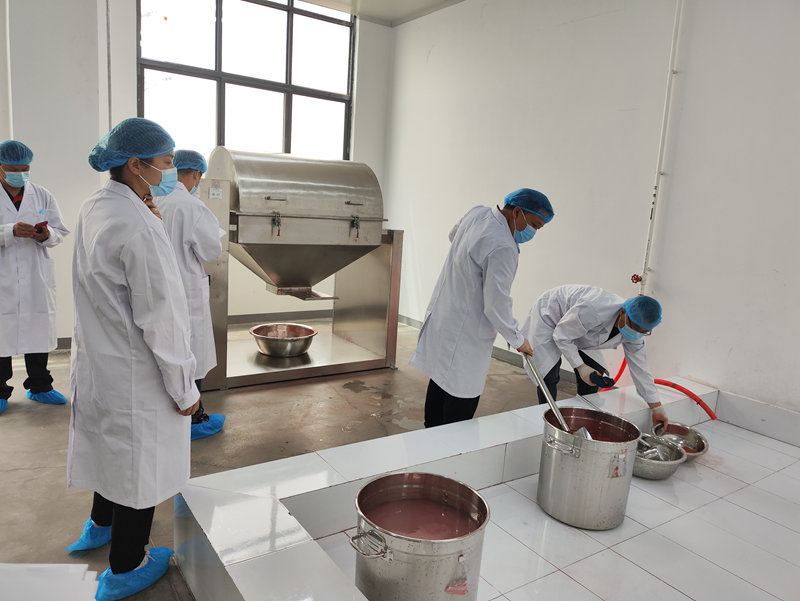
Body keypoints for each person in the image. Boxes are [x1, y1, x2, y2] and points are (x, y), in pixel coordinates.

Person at [66, 118, 200, 601]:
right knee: (139, 466)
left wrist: (152, 216)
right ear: (136, 165)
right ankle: (126, 565)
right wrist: (185, 389)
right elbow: (162, 319)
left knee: (110, 449)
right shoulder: (140, 227)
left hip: (98, 362)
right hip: (135, 370)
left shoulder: (98, 205)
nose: (172, 171)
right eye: (166, 162)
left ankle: (100, 525)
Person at [410, 188, 554, 428]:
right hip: (466, 332)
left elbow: (453, 235)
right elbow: (496, 304)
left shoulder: (477, 213)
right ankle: (451, 444)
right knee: (461, 393)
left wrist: (468, 265)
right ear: (517, 212)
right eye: (535, 225)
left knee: (440, 378)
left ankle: (429, 433)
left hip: (445, 315)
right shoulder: (503, 246)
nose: (533, 232)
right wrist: (518, 339)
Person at [523, 284, 668, 429]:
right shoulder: (594, 309)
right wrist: (580, 366)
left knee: (594, 373)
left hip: (578, 329)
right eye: (634, 327)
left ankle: (582, 418)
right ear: (623, 312)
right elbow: (561, 336)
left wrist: (656, 407)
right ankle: (548, 420)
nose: (636, 333)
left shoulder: (635, 329)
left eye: (643, 331)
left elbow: (640, 368)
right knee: (548, 374)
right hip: (550, 315)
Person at [154, 149, 225, 440]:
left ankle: (171, 415)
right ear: (196, 174)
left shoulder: (153, 199)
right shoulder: (192, 206)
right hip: (186, 292)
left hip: (158, 290)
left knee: (167, 351)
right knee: (192, 352)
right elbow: (210, 250)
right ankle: (195, 418)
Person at [0, 140, 70, 415]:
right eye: (13, 169)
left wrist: (46, 235)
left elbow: (60, 230)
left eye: (25, 169)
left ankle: (40, 386)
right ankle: (0, 390)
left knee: (37, 330)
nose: (20, 173)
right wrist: (9, 231)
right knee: (1, 334)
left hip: (35, 275)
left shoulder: (41, 195)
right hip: (4, 276)